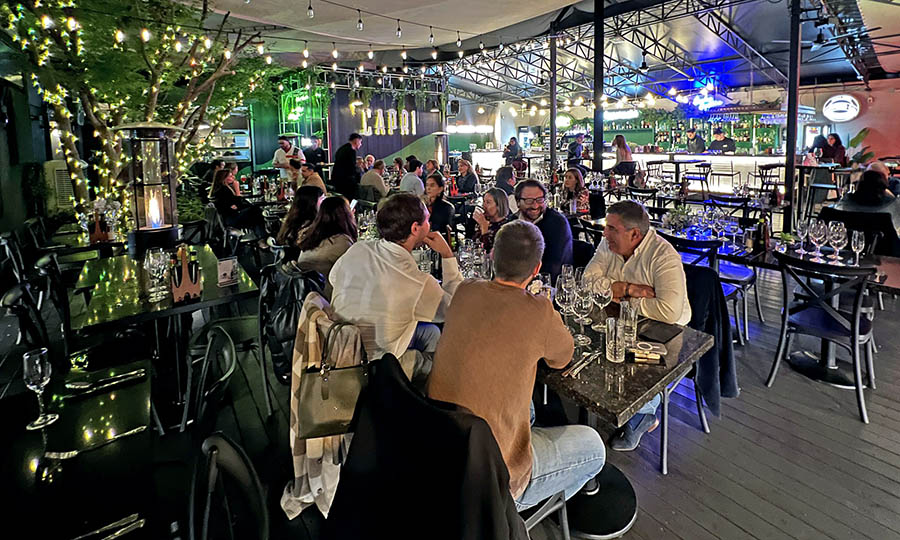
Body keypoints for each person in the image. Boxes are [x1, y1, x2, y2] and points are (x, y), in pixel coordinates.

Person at [427, 220, 604, 509]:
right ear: (536, 269)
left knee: (527, 406)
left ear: (493, 257)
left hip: (441, 451)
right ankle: (517, 515)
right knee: (594, 447)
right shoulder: (539, 311)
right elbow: (563, 358)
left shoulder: (465, 291)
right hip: (493, 482)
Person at [584, 200, 691, 451]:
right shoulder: (607, 245)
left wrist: (621, 295)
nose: (604, 233)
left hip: (666, 332)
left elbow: (668, 311)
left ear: (634, 234)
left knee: (636, 362)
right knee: (594, 348)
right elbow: (587, 281)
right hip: (620, 319)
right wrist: (629, 290)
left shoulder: (664, 256)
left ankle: (644, 413)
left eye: (611, 229)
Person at [329, 192, 463, 363]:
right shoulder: (417, 282)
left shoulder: (358, 248)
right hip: (376, 363)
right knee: (440, 351)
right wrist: (447, 255)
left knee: (431, 333)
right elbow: (453, 310)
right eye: (427, 220)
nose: (429, 224)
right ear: (415, 228)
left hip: (339, 345)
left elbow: (334, 279)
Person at [515, 179, 572, 280]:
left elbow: (553, 267)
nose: (535, 205)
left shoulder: (558, 223)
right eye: (529, 201)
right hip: (513, 282)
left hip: (545, 284)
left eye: (539, 200)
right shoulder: (512, 223)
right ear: (518, 202)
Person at [295, 196, 357, 285]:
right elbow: (354, 270)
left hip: (304, 288)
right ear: (344, 215)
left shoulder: (310, 235)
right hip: (326, 290)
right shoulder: (341, 242)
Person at [211, 169, 269, 249]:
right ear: (224, 178)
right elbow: (237, 204)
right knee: (256, 212)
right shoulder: (223, 190)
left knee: (255, 213)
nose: (233, 177)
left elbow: (236, 204)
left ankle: (261, 237)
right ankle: (262, 238)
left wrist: (239, 204)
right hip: (231, 219)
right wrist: (237, 191)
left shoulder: (222, 189)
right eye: (230, 176)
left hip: (229, 217)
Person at [832, 170, 900, 235]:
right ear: (884, 188)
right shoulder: (892, 206)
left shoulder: (843, 204)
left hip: (848, 244)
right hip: (884, 246)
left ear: (858, 186)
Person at [276, 185, 325, 259]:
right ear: (312, 203)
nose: (324, 202)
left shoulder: (292, 221)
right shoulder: (310, 226)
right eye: (322, 199)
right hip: (304, 265)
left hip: (290, 264)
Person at [473, 187, 512, 252]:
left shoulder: (507, 228)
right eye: (484, 201)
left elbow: (489, 252)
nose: (483, 205)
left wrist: (484, 228)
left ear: (499, 205)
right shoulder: (485, 221)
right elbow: (474, 245)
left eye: (488, 202)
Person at [331, 133, 364, 200]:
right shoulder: (351, 151)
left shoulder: (342, 149)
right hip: (346, 183)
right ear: (356, 141)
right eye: (360, 142)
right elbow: (351, 168)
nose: (361, 144)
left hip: (337, 180)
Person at [425, 174, 455, 242]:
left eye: (432, 185)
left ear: (440, 189)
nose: (428, 188)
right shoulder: (423, 205)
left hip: (440, 241)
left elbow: (441, 230)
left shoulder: (447, 208)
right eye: (427, 185)